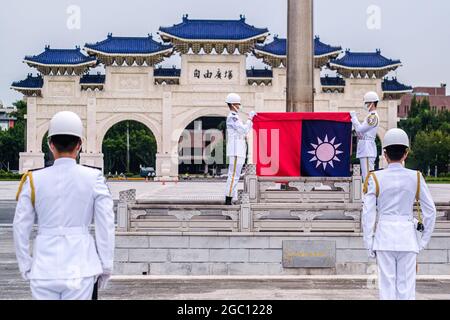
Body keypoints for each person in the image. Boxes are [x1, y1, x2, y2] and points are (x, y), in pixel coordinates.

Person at [13, 111, 115, 300]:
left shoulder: (33, 179)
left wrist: (25, 265)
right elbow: (105, 225)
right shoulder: (94, 178)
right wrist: (106, 266)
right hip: (81, 268)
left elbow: (20, 227)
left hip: (43, 269)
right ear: (79, 145)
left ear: (51, 145)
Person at [362, 128, 436, 300]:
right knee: (406, 290)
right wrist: (423, 241)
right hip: (408, 239)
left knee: (387, 289)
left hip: (384, 238)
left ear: (385, 154)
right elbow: (430, 211)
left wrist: (369, 243)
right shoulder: (415, 177)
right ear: (406, 153)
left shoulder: (375, 178)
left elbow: (368, 214)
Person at [224, 93, 256, 205]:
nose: (239, 106)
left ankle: (230, 198)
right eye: (238, 104)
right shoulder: (232, 117)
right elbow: (243, 130)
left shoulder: (235, 116)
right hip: (236, 150)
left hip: (239, 150)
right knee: (233, 176)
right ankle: (228, 199)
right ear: (233, 105)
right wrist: (250, 119)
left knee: (235, 176)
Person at [350, 91, 380, 182]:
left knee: (368, 177)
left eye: (366, 103)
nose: (365, 105)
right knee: (366, 176)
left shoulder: (373, 117)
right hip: (365, 148)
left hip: (367, 149)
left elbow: (359, 130)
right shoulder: (370, 116)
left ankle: (369, 195)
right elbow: (360, 132)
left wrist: (354, 118)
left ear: (372, 103)